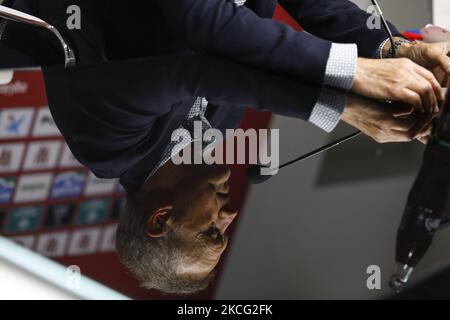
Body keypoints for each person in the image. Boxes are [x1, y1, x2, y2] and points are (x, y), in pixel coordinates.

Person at [1, 0, 450, 294]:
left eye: (211, 231)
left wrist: (355, 81)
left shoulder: (105, 145)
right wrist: (388, 59)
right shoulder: (217, 131)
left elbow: (196, 69)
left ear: (161, 218)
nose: (229, 215)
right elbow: (251, 23)